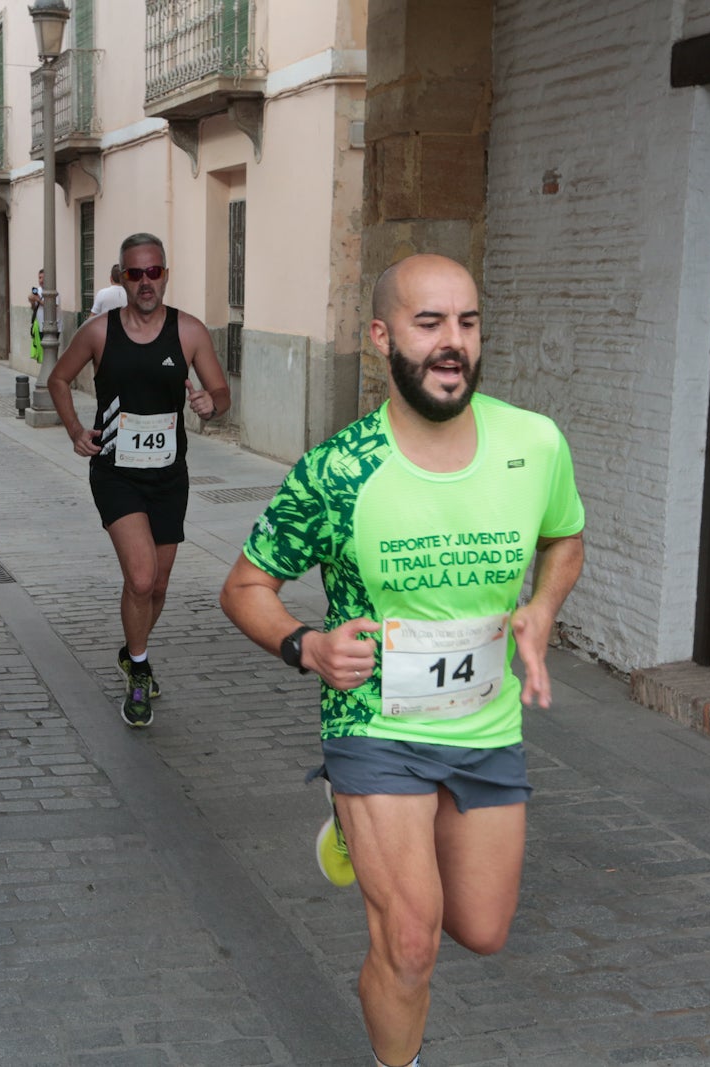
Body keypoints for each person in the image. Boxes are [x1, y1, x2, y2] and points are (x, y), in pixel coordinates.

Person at [218, 254, 586, 1067]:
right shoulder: (338, 470)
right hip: (374, 723)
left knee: (483, 929)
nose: (453, 343)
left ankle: (360, 835)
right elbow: (244, 586)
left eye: (467, 321)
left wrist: (541, 607)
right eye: (430, 324)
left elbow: (565, 537)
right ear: (383, 337)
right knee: (411, 942)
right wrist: (306, 644)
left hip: (485, 724)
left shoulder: (534, 442)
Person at [48, 233, 229, 727]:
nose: (145, 282)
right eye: (135, 274)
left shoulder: (188, 331)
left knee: (160, 584)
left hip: (170, 476)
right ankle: (140, 671)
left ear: (165, 274)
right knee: (141, 577)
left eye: (154, 272)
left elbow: (220, 391)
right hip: (116, 474)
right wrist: (74, 430)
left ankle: (133, 651)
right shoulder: (99, 331)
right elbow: (58, 378)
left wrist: (212, 405)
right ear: (122, 277)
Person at [28, 268, 45, 363]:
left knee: (47, 353)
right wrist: (32, 301)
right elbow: (33, 307)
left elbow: (51, 307)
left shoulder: (55, 292)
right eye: (39, 278)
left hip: (51, 326)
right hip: (39, 326)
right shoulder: (37, 290)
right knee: (40, 351)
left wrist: (38, 299)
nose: (41, 280)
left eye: (43, 278)